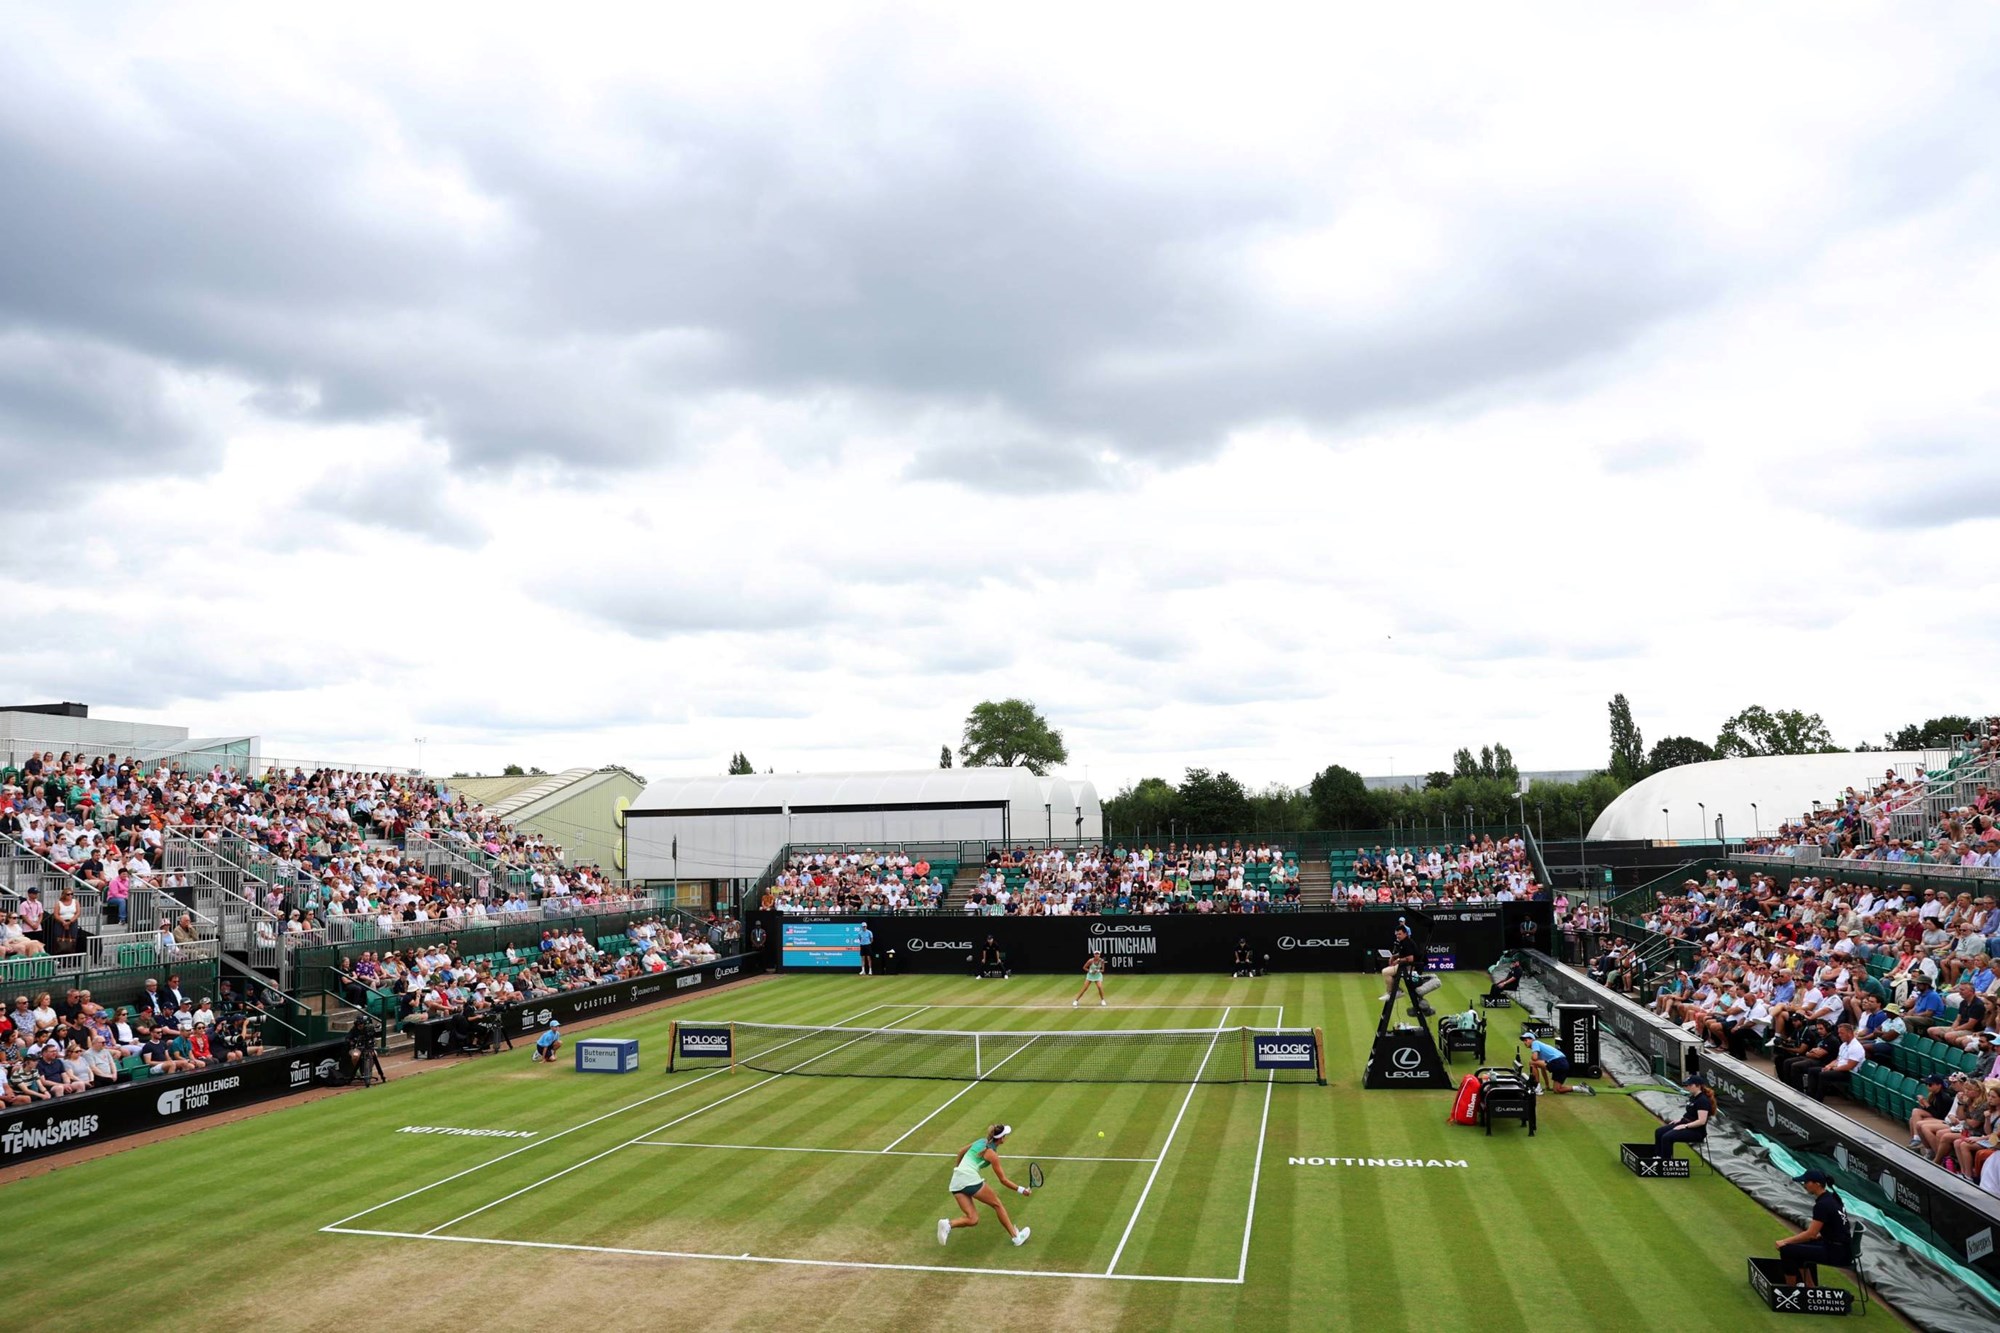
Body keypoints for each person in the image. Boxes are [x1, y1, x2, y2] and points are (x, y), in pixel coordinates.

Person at [936, 1122, 1031, 1248]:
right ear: (1001, 1139)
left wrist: (959, 1170)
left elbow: (960, 1152)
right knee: (997, 1204)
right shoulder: (992, 1155)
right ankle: (1016, 1237)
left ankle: (948, 1224)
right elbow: (1003, 1180)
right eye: (1005, 1136)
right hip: (969, 1178)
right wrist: (1021, 1190)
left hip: (956, 1180)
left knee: (973, 1219)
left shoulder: (980, 1141)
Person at [1776, 1169, 1853, 1286]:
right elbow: (1837, 1225)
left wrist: (1784, 1241)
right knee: (1798, 1246)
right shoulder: (1833, 1198)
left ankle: (1790, 1291)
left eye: (1806, 1182)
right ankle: (1810, 1287)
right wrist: (1821, 1235)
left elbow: (1810, 1234)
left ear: (1817, 1184)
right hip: (1842, 1248)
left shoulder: (1822, 1205)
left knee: (1787, 1250)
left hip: (1836, 1253)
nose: (1804, 1185)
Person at [1655, 1072, 1714, 1158]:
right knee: (1659, 1132)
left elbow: (1701, 1121)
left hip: (1696, 1131)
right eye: (1686, 1085)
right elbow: (1690, 1114)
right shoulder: (1693, 1097)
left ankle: (1666, 1163)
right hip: (1685, 1123)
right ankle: (1658, 1156)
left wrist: (1685, 1126)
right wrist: (1680, 1121)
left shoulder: (1703, 1101)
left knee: (1667, 1137)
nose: (1687, 1087)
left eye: (1690, 1085)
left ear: (1698, 1086)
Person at [1521, 1032, 1595, 1095]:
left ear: (1532, 1039)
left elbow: (1534, 1058)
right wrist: (1547, 1085)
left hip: (1558, 1061)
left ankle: (1537, 1087)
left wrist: (1538, 1087)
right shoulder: (1539, 1051)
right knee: (1557, 1090)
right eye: (1523, 1041)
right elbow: (1543, 1069)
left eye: (1526, 1040)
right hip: (1563, 1064)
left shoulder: (1535, 1043)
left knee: (1532, 1063)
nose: (1524, 1042)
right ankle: (1580, 1088)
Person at [1378, 923, 1419, 1003]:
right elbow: (1403, 953)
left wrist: (1398, 960)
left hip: (1409, 967)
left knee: (1385, 972)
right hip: (1404, 965)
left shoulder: (1407, 943)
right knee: (1387, 972)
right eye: (1397, 934)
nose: (1398, 936)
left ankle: (1394, 992)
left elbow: (1410, 958)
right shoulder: (1403, 942)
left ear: (1405, 933)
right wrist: (1394, 956)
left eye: (1400, 934)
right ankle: (1395, 991)